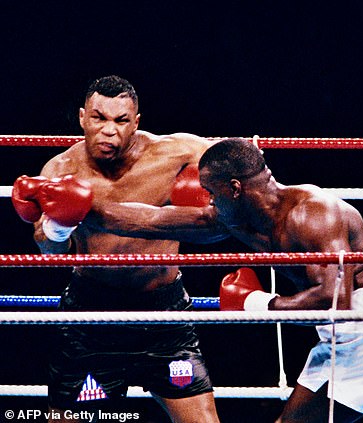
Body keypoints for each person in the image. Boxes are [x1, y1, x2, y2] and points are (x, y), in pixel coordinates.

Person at [86, 138, 363, 423]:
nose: (207, 203)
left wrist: (255, 302)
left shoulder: (313, 212)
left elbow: (335, 299)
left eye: (211, 194)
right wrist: (81, 207)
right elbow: (149, 221)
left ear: (234, 188)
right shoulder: (241, 218)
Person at [11, 75, 223, 422]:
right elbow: (49, 250)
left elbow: (237, 160)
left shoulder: (174, 152)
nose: (109, 130)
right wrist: (58, 224)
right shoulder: (60, 170)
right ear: (82, 118)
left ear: (136, 123)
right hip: (93, 316)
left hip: (164, 317)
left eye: (121, 121)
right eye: (99, 118)